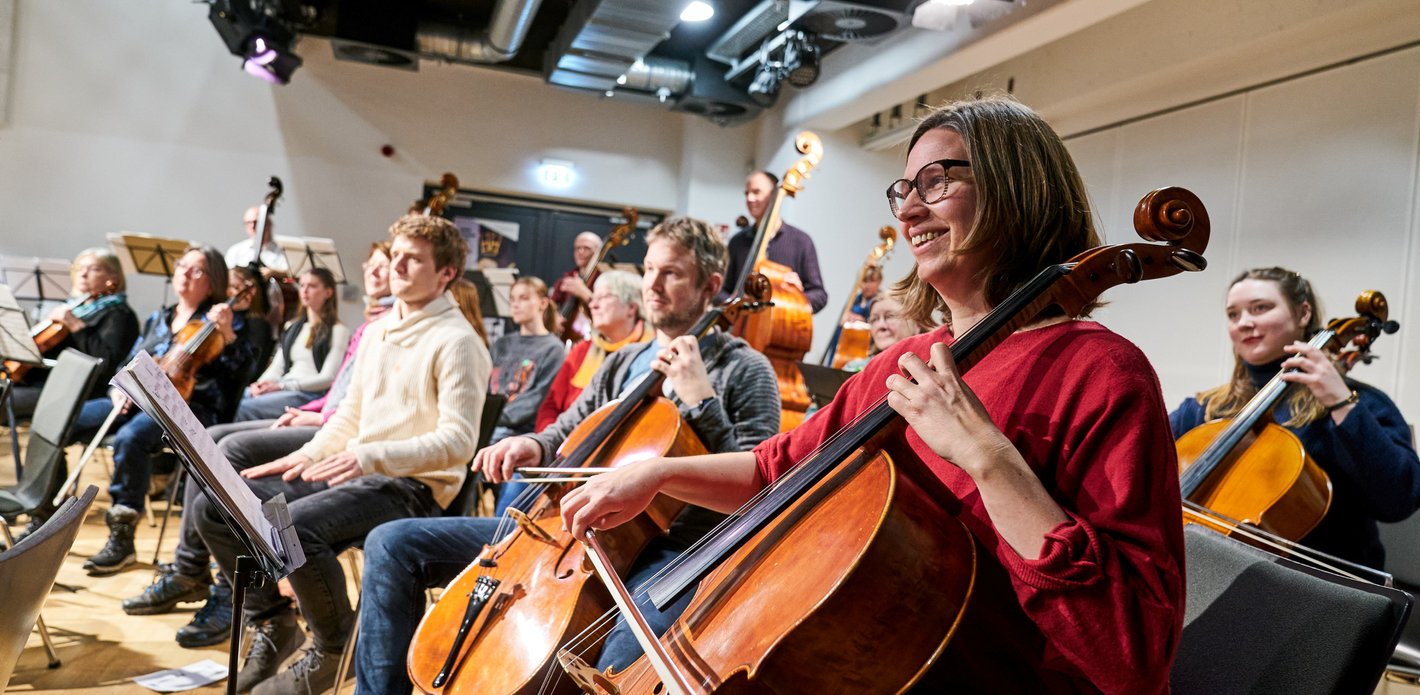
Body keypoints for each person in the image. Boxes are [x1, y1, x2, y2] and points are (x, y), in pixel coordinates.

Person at [559, 96, 1186, 693]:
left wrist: (990, 461)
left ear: (1016, 189)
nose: (909, 210)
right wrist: (658, 474)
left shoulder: (1102, 372)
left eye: (938, 181)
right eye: (904, 189)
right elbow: (775, 471)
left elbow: (1133, 659)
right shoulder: (903, 362)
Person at [353, 216, 781, 695]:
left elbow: (757, 486)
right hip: (568, 529)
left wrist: (701, 400)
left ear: (711, 285)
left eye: (672, 274)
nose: (652, 286)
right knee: (393, 544)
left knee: (623, 656)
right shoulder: (622, 361)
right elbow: (566, 430)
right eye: (648, 270)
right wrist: (531, 444)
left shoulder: (746, 370)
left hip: (666, 546)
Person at [193, 214, 490, 694]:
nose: (398, 266)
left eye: (414, 259)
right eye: (396, 256)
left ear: (447, 274)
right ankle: (273, 622)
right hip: (356, 469)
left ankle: (333, 647)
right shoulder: (377, 331)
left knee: (291, 527)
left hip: (411, 487)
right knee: (217, 507)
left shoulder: (458, 341)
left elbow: (458, 442)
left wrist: (369, 456)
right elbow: (349, 416)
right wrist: (308, 454)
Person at [118, 241, 395, 648]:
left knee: (230, 447)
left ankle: (232, 589)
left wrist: (317, 414)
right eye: (370, 266)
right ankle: (190, 568)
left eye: (382, 267)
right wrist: (315, 408)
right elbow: (342, 391)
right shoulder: (364, 325)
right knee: (214, 439)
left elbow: (365, 403)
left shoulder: (384, 327)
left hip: (346, 434)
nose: (372, 273)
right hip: (327, 417)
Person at [1169, 267, 1420, 569]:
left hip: (1321, 592)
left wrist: (1340, 403)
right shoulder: (1202, 409)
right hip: (1206, 574)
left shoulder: (1361, 403)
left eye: (1260, 308)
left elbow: (1398, 500)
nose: (1244, 322)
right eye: (1233, 314)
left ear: (1303, 314)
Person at [67, 246, 263, 576]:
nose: (184, 273)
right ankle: (43, 512)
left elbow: (242, 373)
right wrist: (118, 390)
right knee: (68, 421)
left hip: (190, 410)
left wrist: (228, 334)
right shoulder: (159, 317)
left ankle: (123, 534)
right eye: (182, 266)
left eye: (196, 270)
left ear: (213, 281)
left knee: (131, 437)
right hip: (140, 400)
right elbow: (127, 362)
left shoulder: (225, 321)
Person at [7, 248, 139, 419]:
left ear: (113, 278)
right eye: (79, 268)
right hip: (38, 382)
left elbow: (107, 365)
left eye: (94, 269)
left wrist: (75, 325)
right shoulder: (74, 307)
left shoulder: (119, 314)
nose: (83, 274)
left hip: (72, 392)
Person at [534, 269, 649, 431]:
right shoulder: (582, 350)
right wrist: (550, 445)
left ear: (631, 307)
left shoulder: (651, 352)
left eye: (604, 298)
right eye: (594, 298)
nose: (593, 305)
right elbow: (550, 406)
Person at [236, 267, 350, 421]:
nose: (305, 290)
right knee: (231, 398)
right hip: (284, 387)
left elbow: (328, 378)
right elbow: (278, 366)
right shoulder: (292, 326)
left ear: (328, 292)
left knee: (243, 408)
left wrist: (282, 386)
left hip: (307, 394)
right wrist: (261, 383)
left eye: (312, 286)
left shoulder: (338, 330)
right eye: (302, 285)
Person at [719, 170, 828, 313]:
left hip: (782, 329)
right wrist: (734, 303)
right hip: (740, 328)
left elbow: (819, 295)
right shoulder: (737, 242)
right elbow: (721, 290)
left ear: (773, 195)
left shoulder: (801, 241)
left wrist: (797, 298)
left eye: (756, 192)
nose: (750, 198)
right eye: (747, 193)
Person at [487, 276, 565, 444]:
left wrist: (490, 418)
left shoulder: (553, 349)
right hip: (489, 424)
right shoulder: (502, 344)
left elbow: (535, 400)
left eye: (524, 298)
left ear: (543, 303)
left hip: (516, 432)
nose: (515, 305)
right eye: (512, 299)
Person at [841, 294, 931, 372]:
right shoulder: (854, 368)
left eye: (890, 316)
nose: (881, 325)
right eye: (874, 319)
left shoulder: (932, 361)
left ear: (917, 323)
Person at [225, 205, 290, 271]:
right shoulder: (235, 251)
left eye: (256, 222)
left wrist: (274, 272)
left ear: (268, 223)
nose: (252, 226)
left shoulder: (286, 247)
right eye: (248, 223)